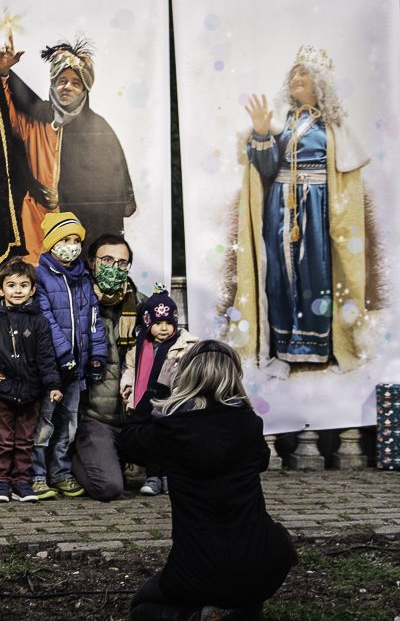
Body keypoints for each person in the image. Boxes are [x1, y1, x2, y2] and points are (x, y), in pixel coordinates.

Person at [117, 340, 298, 620]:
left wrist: (158, 387)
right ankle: (242, 609)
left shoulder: (171, 429)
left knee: (142, 606)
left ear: (187, 377)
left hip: (196, 570)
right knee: (259, 555)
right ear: (234, 378)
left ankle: (199, 617)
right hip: (260, 565)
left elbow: (128, 441)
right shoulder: (249, 424)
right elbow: (261, 460)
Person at [229, 44, 376, 374]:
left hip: (318, 207)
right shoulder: (283, 122)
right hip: (279, 205)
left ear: (320, 83)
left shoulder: (333, 127)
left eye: (304, 73)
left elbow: (345, 178)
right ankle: (282, 352)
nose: (297, 77)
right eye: (294, 73)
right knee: (279, 275)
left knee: (316, 275)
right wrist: (262, 133)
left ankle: (320, 349)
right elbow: (266, 170)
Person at [0, 32, 136, 296]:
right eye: (61, 81)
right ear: (52, 84)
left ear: (85, 89)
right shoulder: (35, 118)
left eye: (75, 83)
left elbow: (112, 186)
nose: (67, 87)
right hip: (35, 221)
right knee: (36, 293)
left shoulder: (99, 130)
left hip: (78, 230)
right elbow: (3, 112)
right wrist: (3, 72)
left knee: (75, 294)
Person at [0, 258, 63, 503]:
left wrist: (53, 385)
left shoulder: (39, 322)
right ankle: (1, 483)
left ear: (32, 289)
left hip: (30, 393)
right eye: (11, 285)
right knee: (4, 441)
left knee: (25, 441)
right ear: (0, 289)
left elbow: (47, 358)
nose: (17, 290)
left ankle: (21, 482)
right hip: (2, 393)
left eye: (23, 285)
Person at [31, 211, 108, 499]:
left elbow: (94, 320)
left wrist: (97, 354)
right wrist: (63, 353)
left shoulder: (83, 278)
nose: (72, 246)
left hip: (78, 368)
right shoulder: (39, 277)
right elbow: (46, 319)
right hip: (53, 368)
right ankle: (37, 475)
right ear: (52, 243)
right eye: (65, 240)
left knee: (69, 422)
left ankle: (60, 472)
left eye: (76, 240)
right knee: (45, 422)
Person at [71, 234, 144, 501]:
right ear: (92, 262)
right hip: (95, 418)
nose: (115, 267)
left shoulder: (142, 305)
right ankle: (72, 454)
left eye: (122, 262)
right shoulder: (75, 303)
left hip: (135, 417)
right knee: (109, 487)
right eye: (107, 260)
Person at [121, 286, 199, 496]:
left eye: (168, 323)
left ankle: (170, 477)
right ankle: (153, 476)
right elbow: (130, 369)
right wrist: (127, 386)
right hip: (145, 401)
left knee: (171, 439)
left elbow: (191, 374)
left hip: (172, 401)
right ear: (148, 323)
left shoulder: (186, 346)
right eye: (157, 323)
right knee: (151, 438)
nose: (164, 328)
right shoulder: (139, 346)